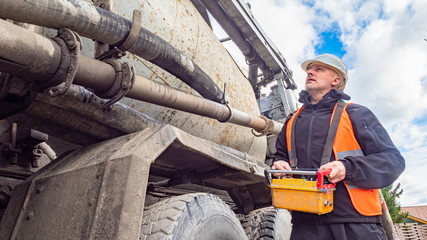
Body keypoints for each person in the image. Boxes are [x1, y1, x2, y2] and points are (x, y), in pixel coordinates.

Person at [271, 53, 405, 240]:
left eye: (319, 69)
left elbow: (393, 161)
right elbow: (279, 158)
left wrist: (346, 168)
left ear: (336, 80)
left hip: (355, 224)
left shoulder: (356, 114)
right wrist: (278, 165)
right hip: (305, 225)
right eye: (309, 69)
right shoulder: (292, 121)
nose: (310, 71)